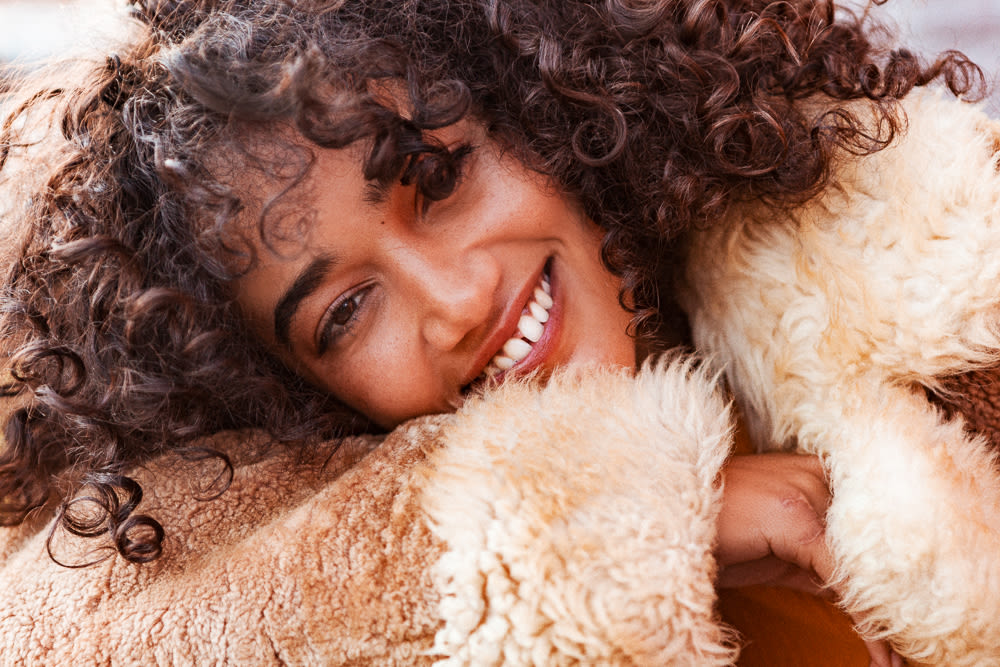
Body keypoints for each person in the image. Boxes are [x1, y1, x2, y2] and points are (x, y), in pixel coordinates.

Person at [0, 0, 983, 664]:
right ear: (285, 395)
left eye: (438, 179)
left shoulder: (946, 262)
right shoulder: (389, 604)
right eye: (344, 313)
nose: (456, 301)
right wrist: (632, 521)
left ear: (545, 98)